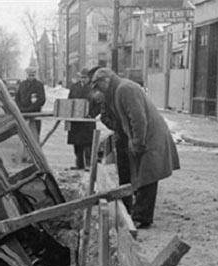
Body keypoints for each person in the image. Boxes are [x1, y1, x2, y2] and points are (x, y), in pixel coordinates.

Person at [90, 67, 180, 229]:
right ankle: (135, 213)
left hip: (150, 136)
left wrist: (137, 142)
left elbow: (138, 119)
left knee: (147, 175)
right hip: (143, 135)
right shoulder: (116, 92)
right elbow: (120, 120)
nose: (98, 91)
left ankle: (142, 217)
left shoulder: (125, 89)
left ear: (106, 81)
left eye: (98, 86)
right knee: (139, 173)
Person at [66, 67, 100, 170]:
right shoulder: (74, 87)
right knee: (77, 144)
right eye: (81, 77)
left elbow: (99, 105)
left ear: (89, 78)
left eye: (85, 77)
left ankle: (89, 164)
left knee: (88, 143)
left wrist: (92, 114)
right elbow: (69, 101)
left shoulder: (93, 89)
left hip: (87, 121)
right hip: (76, 121)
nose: (83, 79)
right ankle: (79, 164)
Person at [15, 67, 46, 141]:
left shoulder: (39, 85)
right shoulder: (22, 84)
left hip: (35, 114)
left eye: (32, 75)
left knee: (34, 137)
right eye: (29, 75)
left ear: (35, 75)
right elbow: (17, 98)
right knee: (22, 136)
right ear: (27, 75)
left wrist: (31, 108)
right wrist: (20, 108)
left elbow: (41, 100)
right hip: (23, 115)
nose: (31, 77)